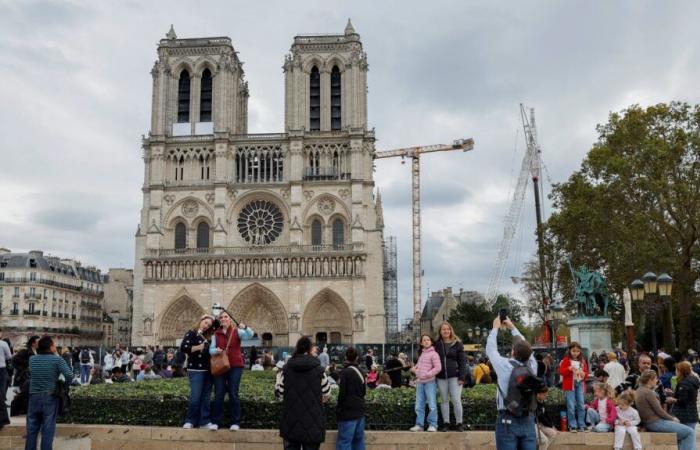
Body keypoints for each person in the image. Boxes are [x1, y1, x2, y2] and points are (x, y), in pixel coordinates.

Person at [486, 315, 537, 450]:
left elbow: (491, 350)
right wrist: (513, 327)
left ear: (513, 352)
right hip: (528, 419)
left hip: (507, 419)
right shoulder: (532, 366)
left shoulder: (504, 365)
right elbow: (526, 347)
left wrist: (495, 328)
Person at [275, 336, 331, 450]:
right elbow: (327, 393)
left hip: (290, 422)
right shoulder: (320, 370)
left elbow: (279, 394)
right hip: (313, 423)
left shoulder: (285, 370)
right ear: (310, 350)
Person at [25, 336, 73, 450]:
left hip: (33, 397)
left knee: (31, 430)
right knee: (47, 431)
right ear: (51, 347)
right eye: (54, 345)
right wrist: (65, 386)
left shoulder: (32, 359)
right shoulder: (57, 360)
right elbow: (69, 375)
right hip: (50, 397)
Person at [209, 312, 254, 431]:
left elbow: (250, 335)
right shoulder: (215, 334)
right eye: (221, 317)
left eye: (226, 317)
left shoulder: (237, 331)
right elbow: (210, 350)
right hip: (221, 366)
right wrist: (216, 350)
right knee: (219, 393)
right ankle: (215, 422)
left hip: (235, 366)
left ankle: (235, 422)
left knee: (233, 393)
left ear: (230, 320)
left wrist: (245, 327)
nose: (223, 319)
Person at [636, 369, 695, 450]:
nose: (657, 381)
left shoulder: (639, 390)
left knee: (684, 434)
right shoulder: (648, 392)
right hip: (655, 423)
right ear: (650, 380)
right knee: (690, 432)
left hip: (651, 422)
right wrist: (673, 419)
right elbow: (659, 411)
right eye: (656, 379)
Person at [434, 321, 468, 432]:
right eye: (443, 329)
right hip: (441, 377)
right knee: (444, 400)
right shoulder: (436, 344)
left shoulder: (457, 343)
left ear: (451, 330)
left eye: (447, 329)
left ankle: (459, 423)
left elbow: (463, 361)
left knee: (456, 400)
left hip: (455, 376)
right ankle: (446, 422)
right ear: (440, 331)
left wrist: (462, 377)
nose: (446, 331)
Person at [409, 334, 441, 432]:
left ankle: (433, 425)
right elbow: (418, 366)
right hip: (420, 383)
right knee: (419, 405)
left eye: (428, 340)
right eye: (424, 340)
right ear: (421, 343)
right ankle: (419, 425)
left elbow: (438, 368)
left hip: (430, 382)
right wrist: (414, 369)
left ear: (431, 342)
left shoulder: (434, 354)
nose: (426, 341)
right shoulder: (422, 354)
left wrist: (427, 374)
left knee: (431, 404)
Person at [336, 347, 366, 450]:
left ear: (345, 357)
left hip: (347, 413)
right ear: (357, 358)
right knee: (359, 441)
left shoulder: (344, 372)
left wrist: (339, 409)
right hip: (360, 411)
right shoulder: (362, 372)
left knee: (344, 442)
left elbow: (342, 394)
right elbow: (363, 392)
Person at [559, 342, 589, 432]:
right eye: (573, 351)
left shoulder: (582, 361)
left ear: (580, 352)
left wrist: (584, 374)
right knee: (571, 405)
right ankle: (572, 425)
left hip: (579, 383)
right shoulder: (566, 360)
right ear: (570, 350)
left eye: (578, 351)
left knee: (581, 404)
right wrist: (568, 369)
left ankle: (581, 424)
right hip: (569, 385)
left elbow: (586, 372)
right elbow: (560, 371)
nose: (575, 353)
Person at [669, 361, 699, 430]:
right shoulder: (693, 380)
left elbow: (683, 400)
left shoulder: (684, 382)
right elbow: (688, 396)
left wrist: (672, 399)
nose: (675, 372)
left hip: (684, 415)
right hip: (692, 414)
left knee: (685, 437)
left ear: (681, 371)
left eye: (676, 370)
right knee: (691, 436)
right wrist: (674, 393)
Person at [0, 337, 12, 429]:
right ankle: (3, 419)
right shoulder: (3, 343)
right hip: (1, 369)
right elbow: (9, 356)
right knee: (1, 393)